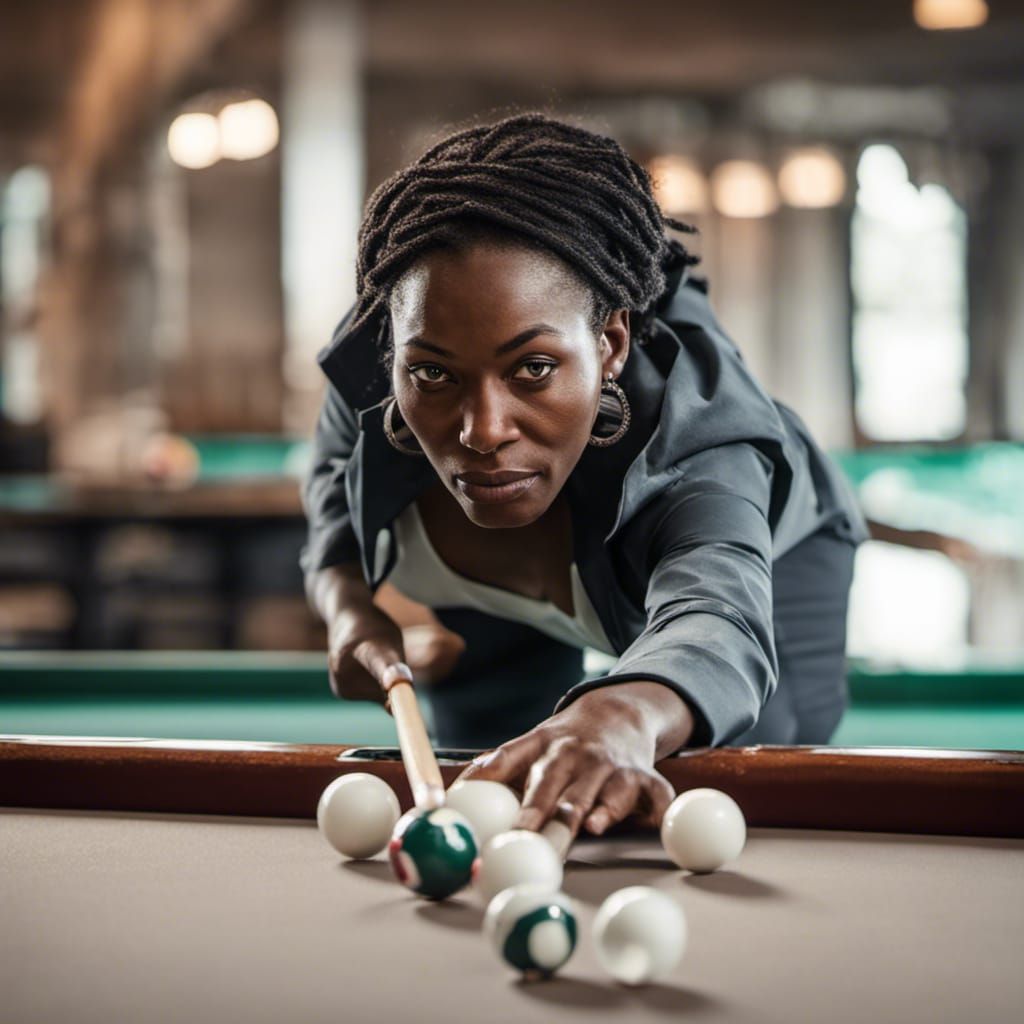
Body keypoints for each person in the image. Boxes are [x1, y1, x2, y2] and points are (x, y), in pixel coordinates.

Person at [301, 113, 869, 839]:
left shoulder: (698, 448)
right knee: (495, 795)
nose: (482, 431)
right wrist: (347, 607)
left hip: (780, 568)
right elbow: (331, 504)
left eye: (532, 368)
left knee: (737, 790)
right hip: (492, 616)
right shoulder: (381, 355)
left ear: (608, 345)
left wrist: (623, 712)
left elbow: (717, 618)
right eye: (434, 374)